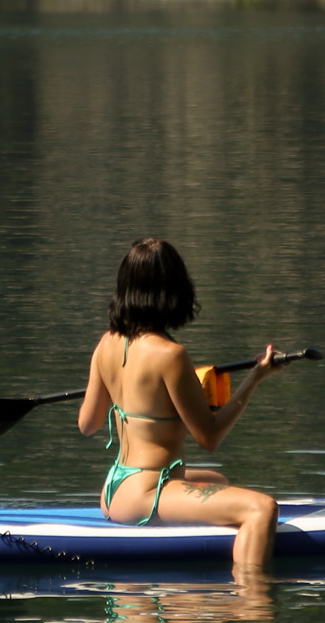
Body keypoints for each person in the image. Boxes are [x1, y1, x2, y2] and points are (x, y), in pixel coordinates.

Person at [77, 236, 289, 571]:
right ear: (172, 292)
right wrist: (254, 379)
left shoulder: (106, 343)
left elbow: (87, 425)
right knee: (262, 508)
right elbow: (209, 437)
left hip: (114, 490)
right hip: (146, 494)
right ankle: (250, 605)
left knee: (217, 482)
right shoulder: (171, 355)